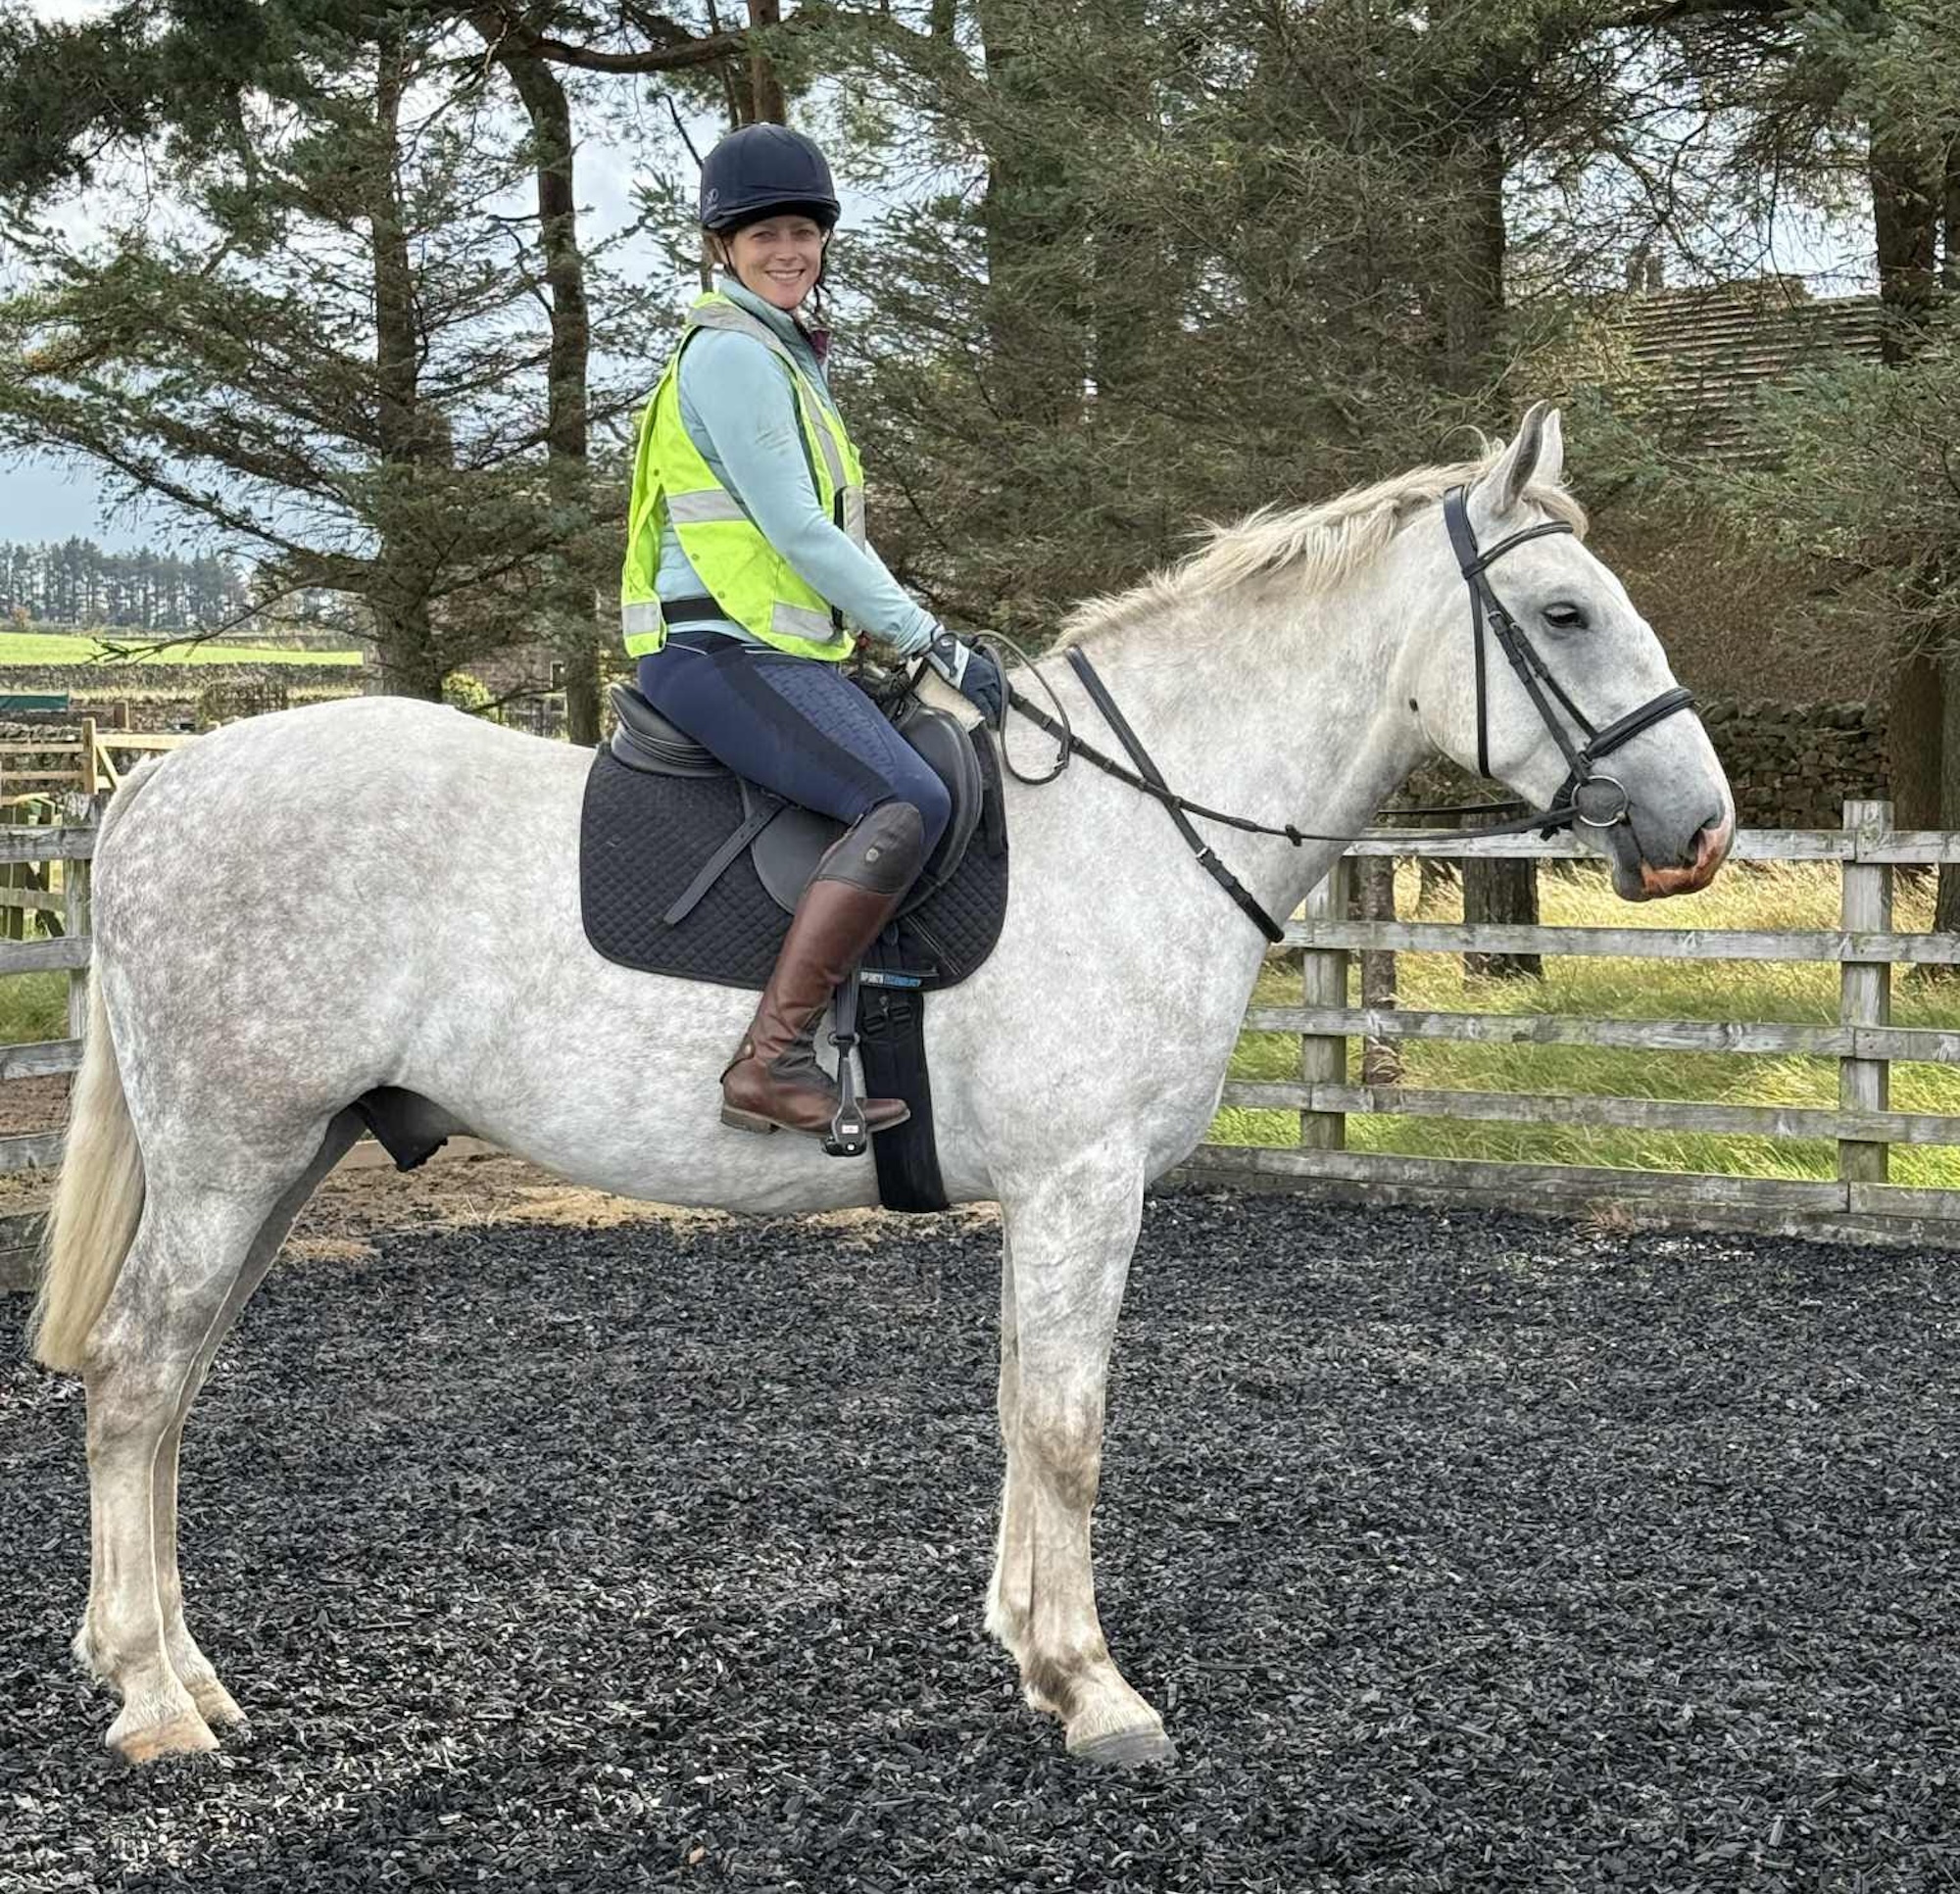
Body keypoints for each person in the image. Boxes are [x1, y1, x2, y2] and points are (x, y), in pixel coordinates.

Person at [619, 123, 1004, 1143]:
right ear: (722, 246)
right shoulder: (738, 358)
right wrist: (926, 637)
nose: (786, 250)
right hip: (715, 651)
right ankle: (771, 1061)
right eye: (762, 236)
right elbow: (796, 530)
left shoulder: (786, 358)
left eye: (801, 232)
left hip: (770, 648)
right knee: (902, 793)